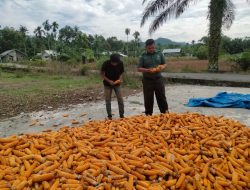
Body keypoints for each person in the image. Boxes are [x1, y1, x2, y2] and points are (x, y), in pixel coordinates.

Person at [137, 39, 168, 115]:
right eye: (149, 48)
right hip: (147, 80)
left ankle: (165, 114)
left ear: (154, 46)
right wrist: (148, 70)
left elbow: (164, 64)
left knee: (161, 97)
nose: (151, 49)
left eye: (153, 47)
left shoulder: (159, 53)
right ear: (146, 47)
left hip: (158, 79)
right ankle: (148, 115)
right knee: (148, 99)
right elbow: (138, 68)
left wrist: (161, 67)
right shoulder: (142, 56)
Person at [101, 53, 124, 119]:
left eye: (116, 63)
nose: (115, 64)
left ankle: (121, 115)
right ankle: (109, 116)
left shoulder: (120, 63)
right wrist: (109, 81)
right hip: (107, 84)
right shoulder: (106, 63)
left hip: (117, 84)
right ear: (111, 61)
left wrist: (119, 79)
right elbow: (102, 74)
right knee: (108, 100)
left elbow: (121, 73)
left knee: (120, 99)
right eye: (114, 63)